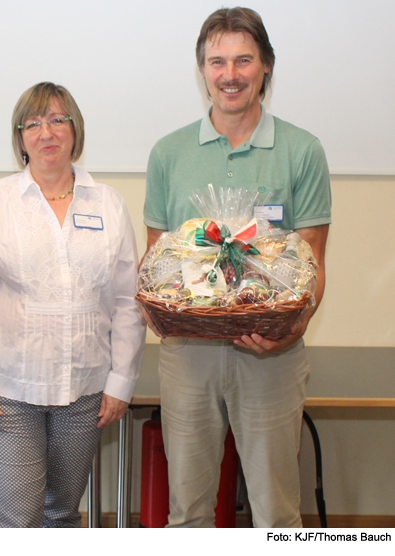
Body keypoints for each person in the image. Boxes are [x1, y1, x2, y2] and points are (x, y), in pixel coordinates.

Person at [143, 7, 331, 527]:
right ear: (202, 70)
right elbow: (156, 262)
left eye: (244, 60)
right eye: (217, 61)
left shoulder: (302, 150)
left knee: (276, 510)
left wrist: (292, 329)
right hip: (188, 356)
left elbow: (313, 264)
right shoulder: (169, 153)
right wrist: (156, 310)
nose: (230, 75)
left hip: (270, 356)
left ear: (266, 66)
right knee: (188, 509)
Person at [0, 82, 146, 528]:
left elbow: (127, 302)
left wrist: (121, 381)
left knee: (61, 514)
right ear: (20, 138)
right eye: (33, 123)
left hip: (86, 390)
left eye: (58, 120)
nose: (47, 132)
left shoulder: (109, 204)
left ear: (75, 130)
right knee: (17, 521)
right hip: (6, 392)